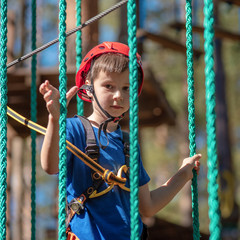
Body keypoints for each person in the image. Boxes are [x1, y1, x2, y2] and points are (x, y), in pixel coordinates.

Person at [39, 41, 201, 240]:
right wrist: (54, 119)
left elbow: (148, 206)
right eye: (109, 86)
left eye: (126, 88)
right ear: (89, 88)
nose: (119, 96)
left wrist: (183, 174)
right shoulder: (74, 129)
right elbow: (51, 166)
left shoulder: (128, 144)